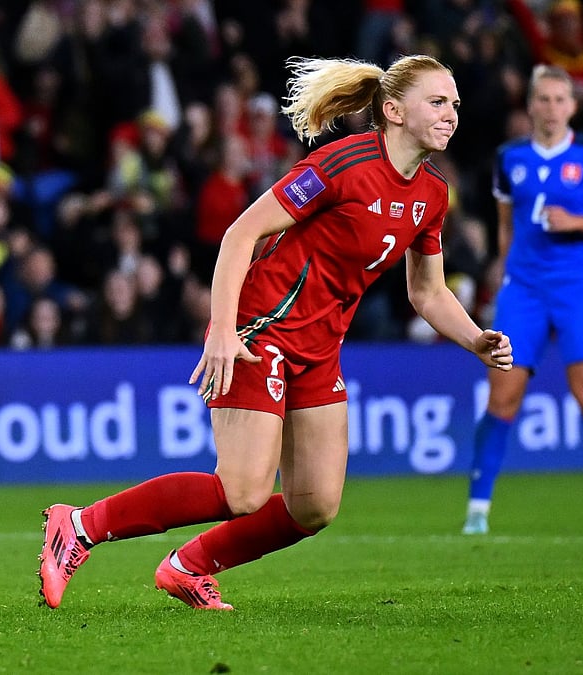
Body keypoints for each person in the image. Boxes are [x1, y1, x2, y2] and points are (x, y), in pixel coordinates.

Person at [38, 54, 514, 610]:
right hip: (259, 328)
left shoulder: (432, 194)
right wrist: (222, 329)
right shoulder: (342, 164)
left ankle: (188, 566)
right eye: (437, 102)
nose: (451, 113)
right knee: (242, 491)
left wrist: (475, 337)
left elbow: (427, 291)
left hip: (320, 347)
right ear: (393, 110)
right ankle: (79, 526)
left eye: (454, 104)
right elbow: (240, 235)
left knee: (314, 505)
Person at [461, 65, 583, 536]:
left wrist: (574, 222)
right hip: (523, 288)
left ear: (573, 106)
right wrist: (504, 275)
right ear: (529, 105)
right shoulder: (509, 158)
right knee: (502, 399)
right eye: (542, 99)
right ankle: (477, 513)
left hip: (578, 285)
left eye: (560, 99)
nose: (551, 108)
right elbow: (508, 227)